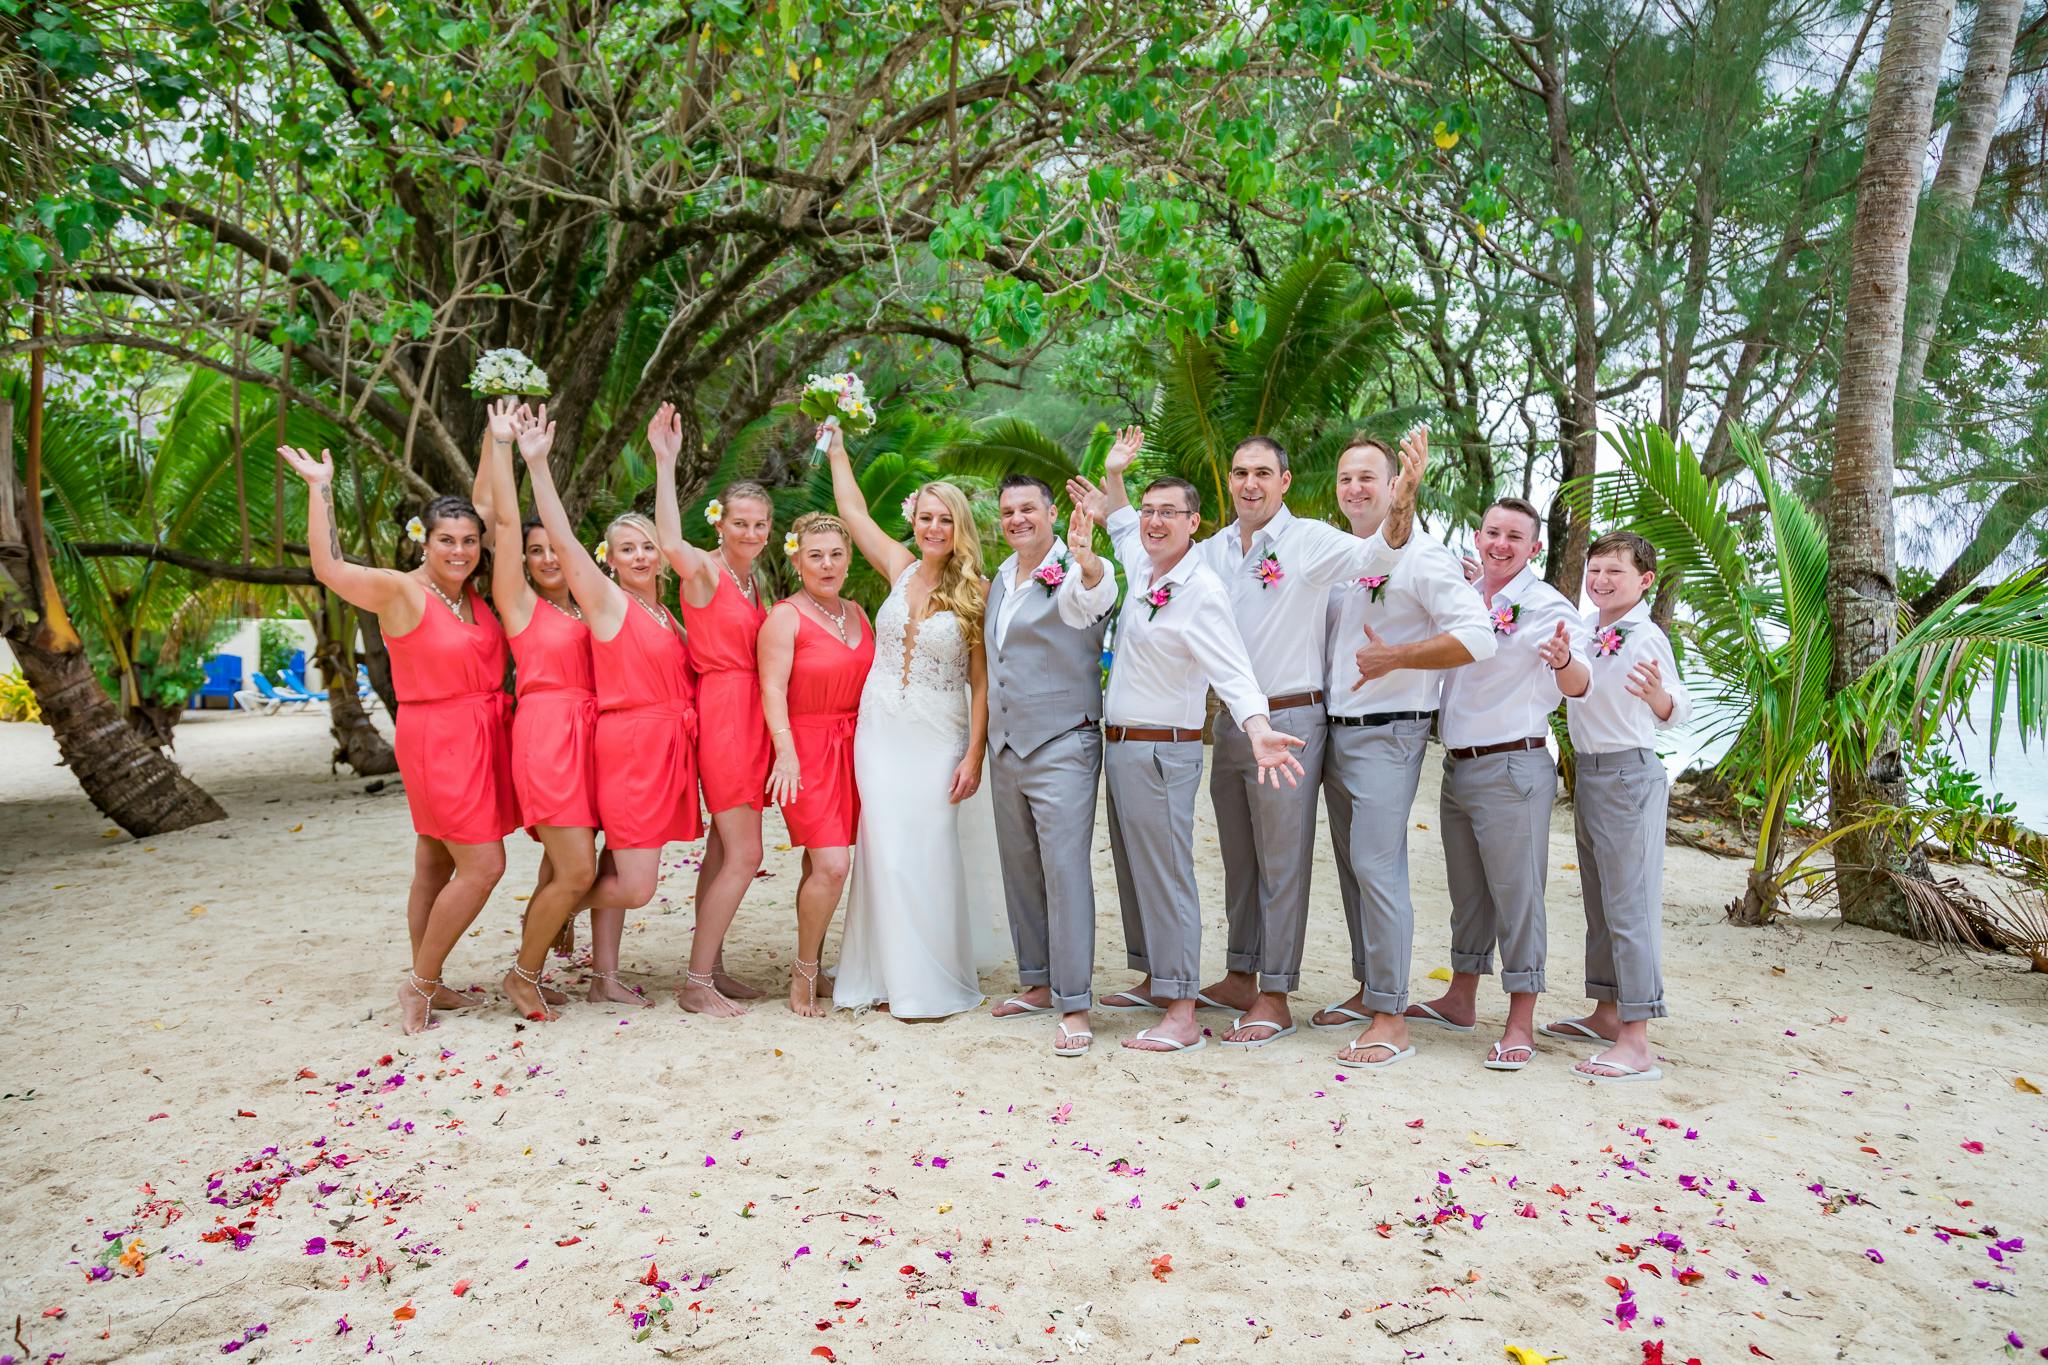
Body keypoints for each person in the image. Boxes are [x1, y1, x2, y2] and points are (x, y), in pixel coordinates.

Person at [1092, 431, 1415, 1048]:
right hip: (1229, 724)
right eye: (1240, 472)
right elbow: (1137, 536)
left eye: (1263, 473)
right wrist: (1115, 483)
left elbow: (1380, 554)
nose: (1249, 483)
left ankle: (1275, 994)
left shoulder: (1309, 540)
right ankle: (1240, 975)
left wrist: (1401, 499)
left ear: (1284, 482)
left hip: (1288, 721)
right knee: (1239, 859)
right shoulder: (1210, 550)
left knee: (1282, 862)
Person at [1066, 467, 1306, 1055]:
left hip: (1161, 749)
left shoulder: (1202, 591)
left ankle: (1181, 1012)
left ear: (1194, 522)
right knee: (1135, 870)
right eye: (1149, 510)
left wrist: (1258, 729)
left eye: (1168, 512)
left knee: (1167, 874)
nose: (1154, 521)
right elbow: (1121, 525)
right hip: (1122, 744)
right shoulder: (1143, 562)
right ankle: (1158, 979)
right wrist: (1114, 480)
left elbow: (1234, 671)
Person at [279, 445, 517, 1035]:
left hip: (483, 733)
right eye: (446, 540)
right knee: (484, 865)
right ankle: (418, 983)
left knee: (435, 862)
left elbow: (488, 505)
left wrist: (496, 441)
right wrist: (319, 486)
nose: (459, 550)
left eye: (469, 540)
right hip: (438, 739)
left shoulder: (470, 594)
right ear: (422, 542)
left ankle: (430, 979)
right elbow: (329, 568)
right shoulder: (400, 590)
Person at [1312, 432, 1495, 1068]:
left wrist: (1398, 657)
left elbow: (1479, 636)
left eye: (1369, 476)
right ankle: (1370, 989)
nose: (1354, 488)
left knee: (1377, 865)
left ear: (1396, 485)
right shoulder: (1343, 556)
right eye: (1345, 478)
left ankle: (1392, 1018)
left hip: (1389, 731)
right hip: (1334, 730)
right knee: (1352, 867)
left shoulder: (1424, 556)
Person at [820, 423, 1003, 1019]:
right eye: (926, 517)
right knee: (883, 848)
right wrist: (838, 449)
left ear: (959, 526)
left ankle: (926, 982)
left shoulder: (978, 590)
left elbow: (982, 684)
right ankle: (881, 976)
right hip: (880, 731)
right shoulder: (898, 567)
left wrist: (974, 755)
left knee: (924, 850)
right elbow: (852, 512)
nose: (933, 528)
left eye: (945, 519)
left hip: (938, 735)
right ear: (914, 521)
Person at [1406, 497, 1588, 1071]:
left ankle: (1520, 1022)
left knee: (1518, 896)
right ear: (1478, 537)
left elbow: (1579, 684)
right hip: (1457, 764)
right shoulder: (1464, 596)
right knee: (1468, 892)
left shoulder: (1548, 607)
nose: (1500, 544)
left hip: (1513, 766)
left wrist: (1563, 661)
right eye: (1492, 532)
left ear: (1535, 547)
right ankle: (1460, 998)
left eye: (1514, 537)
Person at [520, 436, 702, 1007]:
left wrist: (667, 462)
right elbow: (562, 538)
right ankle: (552, 908)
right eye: (627, 549)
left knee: (614, 864)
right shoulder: (607, 601)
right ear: (610, 559)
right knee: (637, 887)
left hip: (665, 749)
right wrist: (537, 463)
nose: (641, 557)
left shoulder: (665, 612)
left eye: (647, 546)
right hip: (631, 751)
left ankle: (603, 977)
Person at [982, 469, 1120, 1058]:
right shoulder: (1000, 578)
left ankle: (1075, 1005)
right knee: (1021, 869)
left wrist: (1088, 562)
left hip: (1063, 741)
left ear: (1051, 514)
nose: (1017, 519)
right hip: (1006, 746)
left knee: (1065, 872)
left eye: (1028, 509)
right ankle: (1038, 982)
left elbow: (1094, 598)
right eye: (1008, 511)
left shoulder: (1074, 568)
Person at [1546, 530, 1691, 1083]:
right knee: (1601, 903)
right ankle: (1606, 1012)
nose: (1601, 580)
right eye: (1595, 569)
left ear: (1645, 581)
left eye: (1615, 571)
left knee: (1630, 908)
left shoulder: (1647, 636)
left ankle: (1636, 1041)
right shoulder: (1586, 628)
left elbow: (1676, 707)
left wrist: (1658, 697)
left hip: (1629, 774)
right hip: (1590, 773)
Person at [471, 400, 598, 1021]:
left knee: (559, 866)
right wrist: (502, 448)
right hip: (548, 736)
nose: (549, 558)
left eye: (556, 547)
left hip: (592, 738)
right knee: (577, 870)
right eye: (537, 549)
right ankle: (521, 976)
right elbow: (501, 526)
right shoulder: (519, 603)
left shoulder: (591, 604)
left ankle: (536, 967)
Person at [649, 403, 774, 1016]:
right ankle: (696, 982)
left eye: (760, 525)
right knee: (747, 854)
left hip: (754, 715)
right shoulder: (704, 572)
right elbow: (670, 542)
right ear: (720, 523)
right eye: (739, 523)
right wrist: (665, 461)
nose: (749, 533)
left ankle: (713, 966)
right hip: (724, 714)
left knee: (725, 851)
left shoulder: (755, 581)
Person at [757, 513, 876, 1016]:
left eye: (835, 555)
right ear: (797, 560)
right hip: (805, 749)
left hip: (854, 748)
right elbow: (771, 688)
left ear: (848, 560)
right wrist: (785, 752)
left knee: (819, 865)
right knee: (832, 865)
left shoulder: (858, 613)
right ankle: (804, 972)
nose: (826, 565)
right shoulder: (784, 617)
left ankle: (817, 964)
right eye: (815, 555)